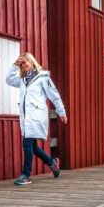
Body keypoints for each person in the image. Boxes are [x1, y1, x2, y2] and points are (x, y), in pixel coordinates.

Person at [6, 53, 67, 185]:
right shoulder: (22, 80)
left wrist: (61, 111)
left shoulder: (43, 78)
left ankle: (26, 174)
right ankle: (52, 162)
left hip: (36, 116)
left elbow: (54, 95)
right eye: (21, 64)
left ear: (32, 62)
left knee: (27, 144)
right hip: (26, 117)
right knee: (32, 146)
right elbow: (9, 80)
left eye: (25, 62)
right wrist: (14, 66)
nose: (23, 65)